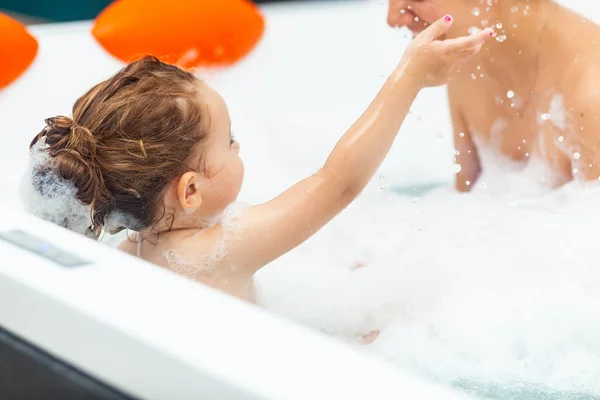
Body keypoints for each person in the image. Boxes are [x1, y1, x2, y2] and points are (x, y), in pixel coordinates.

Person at [23, 17, 491, 301]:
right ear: (190, 190)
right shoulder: (212, 254)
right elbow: (338, 182)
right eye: (230, 141)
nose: (239, 148)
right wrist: (408, 76)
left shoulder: (130, 247)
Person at [388, 0, 600, 191]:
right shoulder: (468, 56)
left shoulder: (590, 92)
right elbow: (462, 208)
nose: (393, 20)